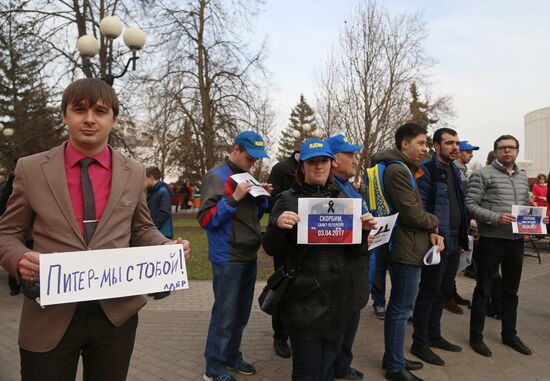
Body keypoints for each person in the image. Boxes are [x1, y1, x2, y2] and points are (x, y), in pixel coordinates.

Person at [0, 78, 190, 381]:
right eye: (79, 110)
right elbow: (7, 234)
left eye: (100, 111)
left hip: (115, 316)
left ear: (113, 120)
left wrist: (165, 246)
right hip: (49, 313)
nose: (89, 119)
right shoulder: (31, 169)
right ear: (65, 116)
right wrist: (19, 258)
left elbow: (142, 228)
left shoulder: (134, 171)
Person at [263, 138, 374, 381]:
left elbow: (354, 253)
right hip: (304, 303)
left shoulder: (343, 200)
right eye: (312, 162)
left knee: (327, 369)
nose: (319, 166)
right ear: (302, 167)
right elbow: (271, 248)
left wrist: (363, 233)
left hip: (338, 301)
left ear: (331, 164)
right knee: (306, 371)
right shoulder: (287, 199)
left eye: (323, 160)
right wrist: (278, 227)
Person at [371, 123, 443, 381]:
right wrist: (435, 222)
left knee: (400, 307)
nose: (425, 149)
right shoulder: (398, 171)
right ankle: (393, 366)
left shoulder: (400, 168)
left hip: (405, 244)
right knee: (401, 309)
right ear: (405, 144)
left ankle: (395, 356)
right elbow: (412, 214)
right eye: (421, 143)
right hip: (404, 247)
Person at [198, 130, 272, 381]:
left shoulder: (247, 177)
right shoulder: (216, 176)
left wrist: (262, 196)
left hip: (248, 254)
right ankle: (214, 369)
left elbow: (251, 217)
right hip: (227, 257)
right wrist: (234, 197)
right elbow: (206, 219)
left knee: (240, 314)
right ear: (236, 149)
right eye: (250, 157)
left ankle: (231, 357)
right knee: (225, 314)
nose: (253, 162)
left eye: (256, 159)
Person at [466, 135, 545, 357]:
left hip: (516, 241)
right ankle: (476, 337)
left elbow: (524, 207)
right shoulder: (483, 174)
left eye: (512, 147)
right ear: (496, 151)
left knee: (511, 291)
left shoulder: (521, 177)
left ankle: (509, 335)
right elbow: (470, 205)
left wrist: (537, 221)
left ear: (517, 151)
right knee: (484, 289)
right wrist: (495, 217)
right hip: (491, 239)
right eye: (503, 148)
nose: (507, 151)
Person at [410, 128, 469, 367]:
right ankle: (420, 342)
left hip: (455, 241)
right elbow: (422, 207)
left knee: (443, 291)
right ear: (437, 146)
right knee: (429, 291)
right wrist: (433, 234)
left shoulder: (455, 169)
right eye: (449, 143)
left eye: (456, 143)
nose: (455, 147)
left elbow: (459, 205)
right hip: (437, 241)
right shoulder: (427, 169)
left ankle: (434, 335)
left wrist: (463, 239)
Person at [327, 134, 372, 381]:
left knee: (352, 318)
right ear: (334, 160)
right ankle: (335, 367)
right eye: (350, 155)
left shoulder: (347, 186)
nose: (355, 160)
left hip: (360, 263)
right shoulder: (332, 190)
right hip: (346, 267)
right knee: (342, 322)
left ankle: (342, 365)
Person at [266, 150, 300, 359]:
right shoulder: (280, 169)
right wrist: (280, 221)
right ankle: (280, 336)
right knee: (283, 291)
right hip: (286, 245)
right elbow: (272, 203)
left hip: (307, 248)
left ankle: (297, 335)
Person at [444, 140, 480, 313]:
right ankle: (447, 296)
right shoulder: (454, 170)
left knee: (459, 260)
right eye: (468, 152)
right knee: (452, 259)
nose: (471, 155)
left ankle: (453, 292)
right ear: (459, 152)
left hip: (463, 220)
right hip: (454, 222)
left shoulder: (464, 171)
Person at [146, 166, 174, 300]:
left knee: (161, 261)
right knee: (154, 260)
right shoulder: (152, 191)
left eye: (145, 178)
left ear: (151, 177)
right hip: (155, 230)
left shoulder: (162, 191)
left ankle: (164, 289)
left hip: (163, 231)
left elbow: (165, 212)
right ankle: (155, 287)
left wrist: (153, 227)